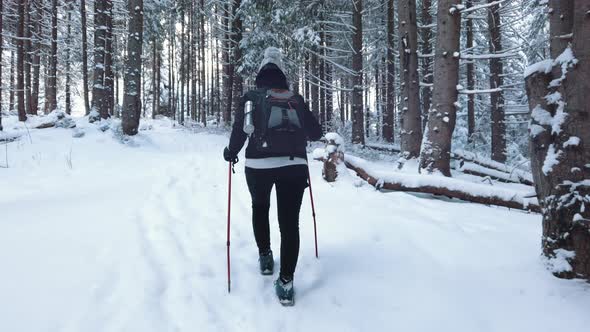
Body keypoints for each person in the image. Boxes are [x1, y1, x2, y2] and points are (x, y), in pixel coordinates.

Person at [223, 47, 322, 306]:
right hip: (294, 165)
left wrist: (230, 152)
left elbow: (240, 131)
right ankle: (286, 283)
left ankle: (266, 257)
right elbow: (315, 133)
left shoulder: (251, 97)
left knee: (260, 207)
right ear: (281, 72)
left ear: (260, 72)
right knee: (289, 223)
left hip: (258, 166)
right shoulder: (295, 98)